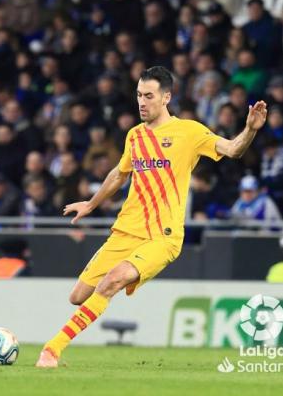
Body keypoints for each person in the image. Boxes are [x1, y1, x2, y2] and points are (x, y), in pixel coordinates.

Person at [36, 66, 267, 367]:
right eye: (138, 95)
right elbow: (119, 175)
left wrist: (249, 129)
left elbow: (233, 149)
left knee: (113, 280)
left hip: (163, 236)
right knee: (78, 296)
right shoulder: (135, 136)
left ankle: (52, 350)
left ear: (166, 97)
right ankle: (60, 342)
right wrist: (91, 204)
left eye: (148, 96)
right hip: (126, 231)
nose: (142, 102)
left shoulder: (190, 132)